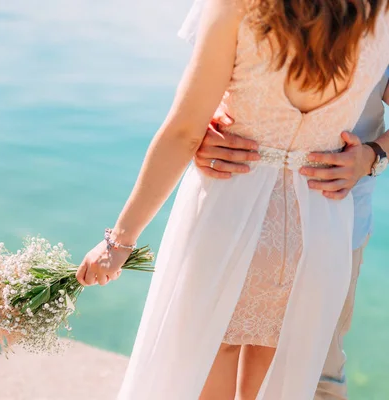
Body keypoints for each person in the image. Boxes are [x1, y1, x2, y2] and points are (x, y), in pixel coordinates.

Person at [75, 0, 389, 398]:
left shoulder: (237, 6)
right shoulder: (378, 14)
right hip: (318, 225)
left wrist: (118, 242)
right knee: (274, 380)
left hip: (228, 209)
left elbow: (184, 131)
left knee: (204, 364)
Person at [194, 68, 389, 400]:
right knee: (217, 345)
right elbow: (218, 72)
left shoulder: (382, 19)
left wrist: (373, 156)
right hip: (244, 199)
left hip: (335, 217)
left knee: (318, 374)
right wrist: (205, 119)